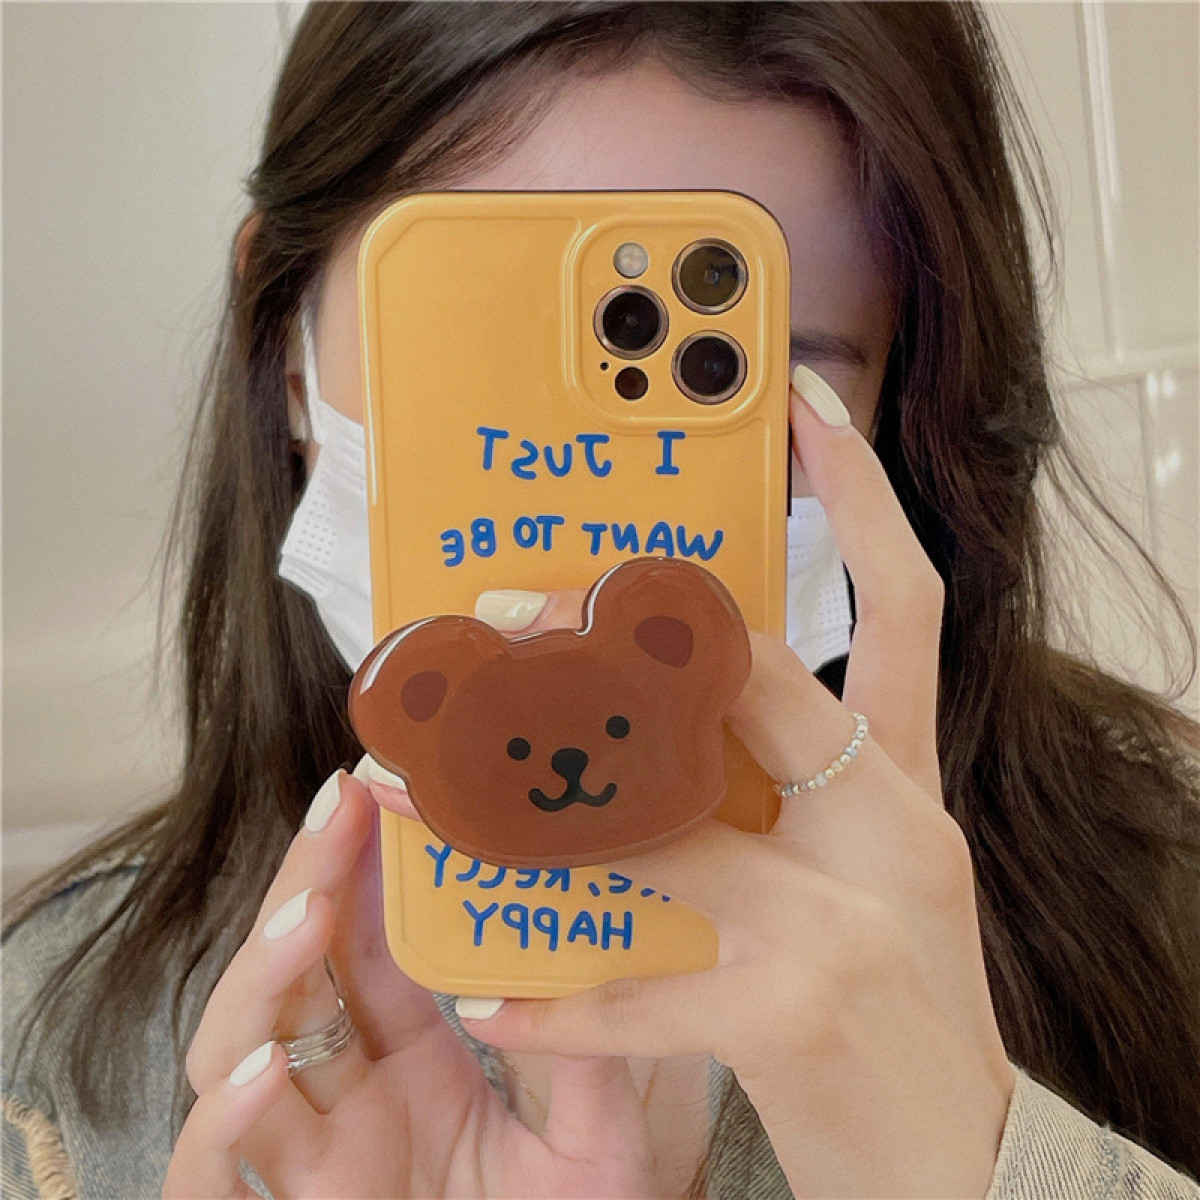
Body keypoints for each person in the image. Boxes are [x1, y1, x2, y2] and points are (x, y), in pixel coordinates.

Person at [4, 4, 1199, 1198]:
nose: (589, 524)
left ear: (896, 406)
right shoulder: (51, 1053)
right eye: (484, 361)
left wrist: (969, 1163)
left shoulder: (1165, 897)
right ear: (286, 341)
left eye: (741, 379)